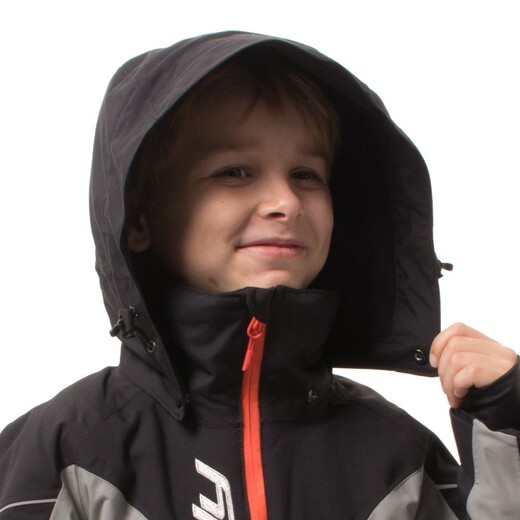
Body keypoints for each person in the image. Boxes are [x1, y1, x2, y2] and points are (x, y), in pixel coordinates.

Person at [0, 30, 518, 519]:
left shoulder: (397, 459)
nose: (285, 201)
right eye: (236, 172)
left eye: (306, 174)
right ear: (139, 219)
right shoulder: (66, 453)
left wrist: (508, 432)